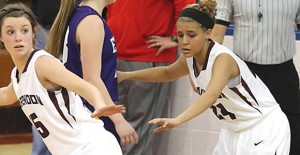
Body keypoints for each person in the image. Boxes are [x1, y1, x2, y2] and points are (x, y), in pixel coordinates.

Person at [117, 1, 291, 154]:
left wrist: (177, 119)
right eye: (180, 35)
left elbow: (210, 96)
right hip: (234, 129)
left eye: (192, 35)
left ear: (208, 33)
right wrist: (127, 75)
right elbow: (167, 73)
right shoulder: (189, 56)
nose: (184, 41)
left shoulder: (222, 59)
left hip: (263, 127)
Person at [0, 3, 124, 155]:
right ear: (1, 36)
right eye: (10, 32)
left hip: (91, 147)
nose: (18, 37)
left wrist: (99, 105)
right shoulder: (18, 75)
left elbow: (86, 87)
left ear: (33, 33)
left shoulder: (41, 63)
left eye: (24, 30)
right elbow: (6, 95)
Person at [210, 0, 300, 154]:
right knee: (248, 131)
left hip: (284, 73)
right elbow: (217, 34)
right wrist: (206, 71)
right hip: (246, 74)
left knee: (293, 130)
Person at [105, 0, 194, 154]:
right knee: (113, 125)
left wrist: (175, 38)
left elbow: (187, 7)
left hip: (146, 57)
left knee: (139, 130)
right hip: (115, 54)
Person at [45, 0, 138, 145]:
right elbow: (92, 79)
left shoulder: (83, 14)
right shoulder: (91, 21)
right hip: (93, 111)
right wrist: (118, 120)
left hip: (89, 109)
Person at [30, 1, 60, 154]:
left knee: (60, 98)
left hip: (64, 28)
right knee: (40, 98)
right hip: (41, 27)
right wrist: (34, 23)